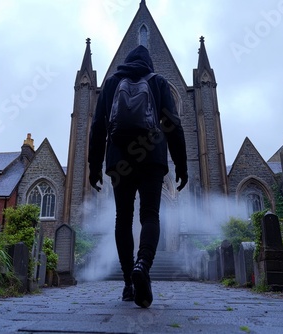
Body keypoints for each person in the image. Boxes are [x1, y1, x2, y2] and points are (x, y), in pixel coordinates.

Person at [88, 45, 188, 308]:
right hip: (152, 158)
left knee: (123, 218)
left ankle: (128, 283)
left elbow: (98, 126)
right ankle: (143, 265)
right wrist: (181, 164)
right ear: (148, 63)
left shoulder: (112, 82)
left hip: (120, 158)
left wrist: (94, 166)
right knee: (150, 216)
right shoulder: (158, 81)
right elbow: (173, 124)